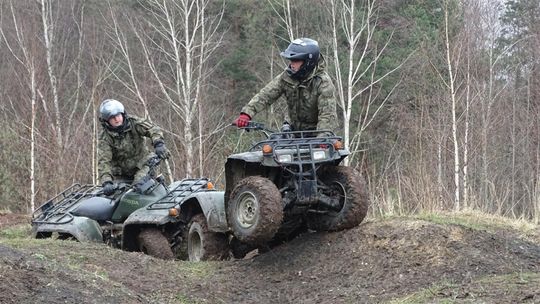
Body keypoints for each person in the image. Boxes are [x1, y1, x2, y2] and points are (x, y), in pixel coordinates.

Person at [234, 37, 338, 133]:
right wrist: (247, 113)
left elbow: (327, 116)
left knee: (331, 152)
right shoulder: (287, 76)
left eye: (296, 60)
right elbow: (266, 95)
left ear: (308, 62)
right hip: (293, 132)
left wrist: (323, 139)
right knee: (268, 151)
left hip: (317, 135)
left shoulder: (323, 83)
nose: (292, 64)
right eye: (291, 60)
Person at [97, 99, 170, 195]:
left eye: (118, 115)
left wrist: (159, 143)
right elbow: (104, 161)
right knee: (119, 198)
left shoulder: (133, 123)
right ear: (106, 121)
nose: (116, 119)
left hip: (143, 164)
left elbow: (152, 129)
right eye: (112, 117)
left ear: (122, 114)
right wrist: (106, 181)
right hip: (122, 173)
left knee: (139, 187)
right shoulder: (105, 137)